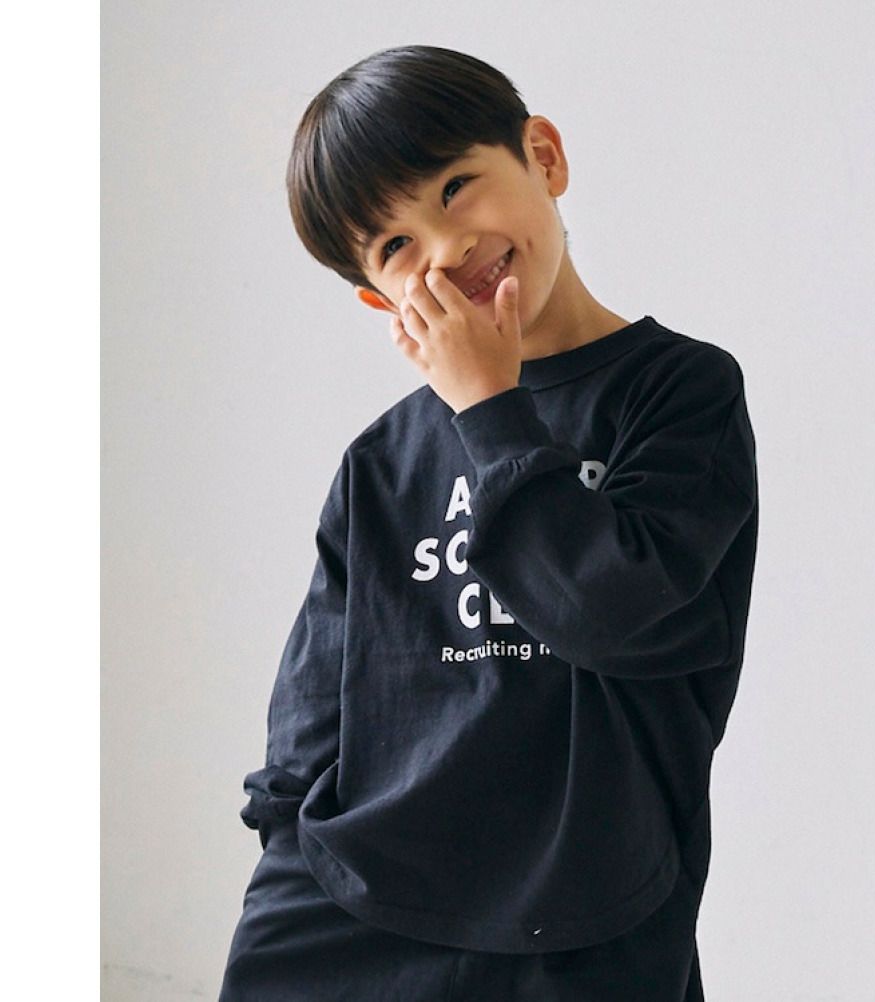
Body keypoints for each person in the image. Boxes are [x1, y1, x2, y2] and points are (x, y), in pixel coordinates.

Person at [219, 44, 759, 1002]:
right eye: (395, 247)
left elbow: (614, 615)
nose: (443, 247)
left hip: (587, 913)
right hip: (353, 904)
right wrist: (287, 846)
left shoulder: (680, 392)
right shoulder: (381, 460)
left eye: (455, 187)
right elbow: (312, 702)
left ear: (543, 157)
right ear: (378, 297)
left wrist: (489, 409)